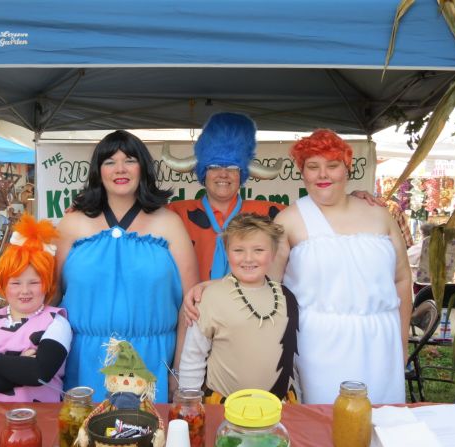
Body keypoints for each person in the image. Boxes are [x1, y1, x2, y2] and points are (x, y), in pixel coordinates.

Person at [54, 130, 198, 403]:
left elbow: (189, 308)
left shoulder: (169, 223)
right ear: (98, 171)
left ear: (143, 167)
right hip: (84, 363)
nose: (120, 169)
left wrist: (178, 371)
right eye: (109, 161)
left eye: (129, 159)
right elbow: (52, 296)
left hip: (153, 362)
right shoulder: (72, 225)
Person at [271, 129, 411, 404]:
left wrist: (402, 342)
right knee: (323, 425)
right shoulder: (288, 220)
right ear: (303, 172)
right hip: (316, 345)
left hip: (381, 343)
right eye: (313, 167)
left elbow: (402, 280)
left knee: (380, 424)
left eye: (332, 165)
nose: (323, 175)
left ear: (347, 168)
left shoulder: (379, 214)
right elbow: (267, 288)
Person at [163, 112, 379, 284]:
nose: (223, 174)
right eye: (214, 167)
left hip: (251, 318)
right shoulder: (174, 214)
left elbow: (319, 212)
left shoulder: (270, 213)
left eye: (232, 167)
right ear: (203, 173)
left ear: (243, 174)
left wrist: (350, 198)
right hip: (191, 314)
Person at [178, 213, 300, 404]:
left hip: (278, 407)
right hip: (223, 407)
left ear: (274, 254)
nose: (248, 258)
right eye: (238, 250)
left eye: (259, 250)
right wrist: (189, 402)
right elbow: (193, 356)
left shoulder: (287, 298)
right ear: (227, 253)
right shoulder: (209, 298)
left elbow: (293, 358)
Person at [0, 214, 72, 402]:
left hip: (40, 421)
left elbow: (39, 374)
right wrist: (19, 367)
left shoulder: (57, 323)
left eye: (34, 282)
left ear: (47, 284)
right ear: (3, 284)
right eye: (16, 283)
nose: (24, 291)